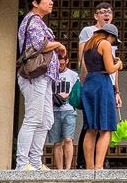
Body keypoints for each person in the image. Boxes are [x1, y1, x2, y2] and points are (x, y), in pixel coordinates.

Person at [14, 0, 68, 170]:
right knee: (33, 118)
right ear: (35, 2)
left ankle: (35, 162)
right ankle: (22, 164)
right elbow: (40, 45)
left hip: (43, 77)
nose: (51, 2)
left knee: (46, 120)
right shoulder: (34, 20)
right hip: (34, 77)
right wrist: (59, 45)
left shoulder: (38, 21)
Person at [80, 23, 123, 170]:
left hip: (89, 83)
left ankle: (89, 167)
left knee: (91, 128)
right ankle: (99, 166)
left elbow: (89, 65)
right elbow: (110, 69)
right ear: (109, 35)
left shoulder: (88, 44)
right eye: (114, 40)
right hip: (102, 85)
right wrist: (119, 64)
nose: (113, 43)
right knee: (106, 128)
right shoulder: (104, 43)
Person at [48, 68, 80, 169]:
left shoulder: (73, 75)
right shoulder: (50, 74)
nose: (60, 66)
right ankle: (60, 170)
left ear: (67, 61)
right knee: (57, 142)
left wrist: (68, 96)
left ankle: (68, 169)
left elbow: (77, 90)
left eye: (62, 64)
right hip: (54, 110)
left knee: (68, 139)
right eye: (59, 64)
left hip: (69, 110)